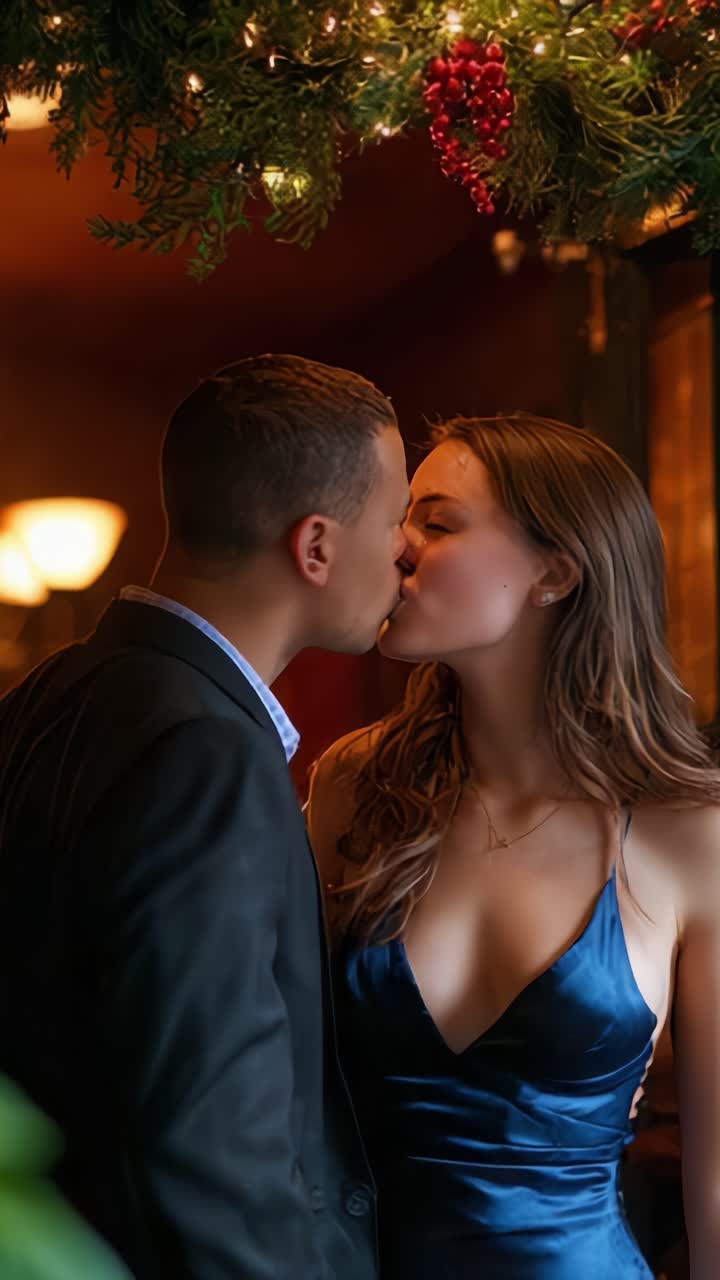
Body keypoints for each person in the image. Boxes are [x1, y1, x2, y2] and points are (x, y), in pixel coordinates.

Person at [0, 354, 410, 1280]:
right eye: (392, 523)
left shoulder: (47, 693)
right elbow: (212, 1143)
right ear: (315, 548)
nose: (405, 553)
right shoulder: (208, 752)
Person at [308, 412, 720, 1280]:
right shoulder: (355, 787)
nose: (397, 549)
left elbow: (716, 1197)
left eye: (440, 522)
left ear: (555, 571)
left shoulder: (687, 833)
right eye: (399, 519)